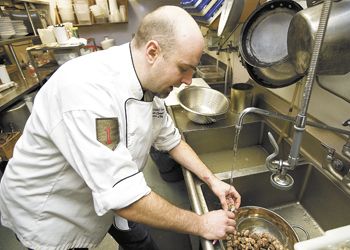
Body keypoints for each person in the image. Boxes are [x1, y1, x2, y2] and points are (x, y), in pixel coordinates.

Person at [0, 5, 241, 250]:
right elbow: (124, 198)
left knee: (140, 241)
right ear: (152, 52)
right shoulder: (89, 91)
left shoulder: (149, 84)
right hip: (52, 213)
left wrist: (213, 181)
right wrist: (201, 224)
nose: (188, 80)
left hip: (108, 189)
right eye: (183, 68)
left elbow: (172, 141)